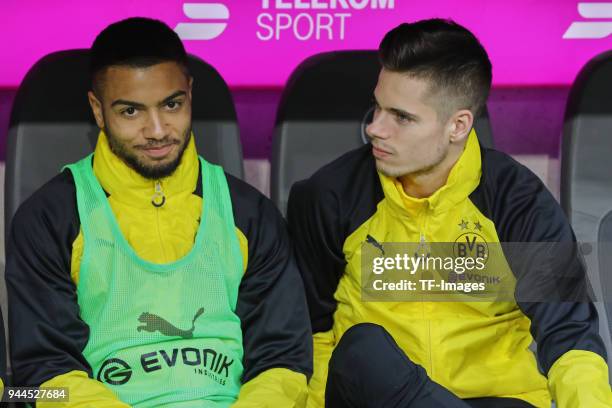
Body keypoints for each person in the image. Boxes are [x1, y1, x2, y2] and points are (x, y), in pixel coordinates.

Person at [287, 19, 611, 408]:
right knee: (363, 350)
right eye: (376, 108)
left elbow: (570, 337)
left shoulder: (518, 200)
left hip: (496, 399)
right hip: (380, 399)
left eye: (401, 117)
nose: (375, 128)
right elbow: (311, 338)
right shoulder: (330, 196)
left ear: (458, 125)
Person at [6, 17, 311, 407]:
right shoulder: (47, 220)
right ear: (98, 111)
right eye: (131, 112)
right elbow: (43, 374)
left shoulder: (250, 214)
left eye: (171, 105)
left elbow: (283, 360)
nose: (157, 130)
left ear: (189, 94)